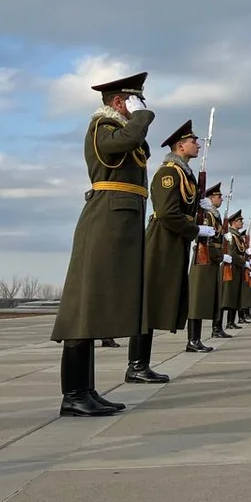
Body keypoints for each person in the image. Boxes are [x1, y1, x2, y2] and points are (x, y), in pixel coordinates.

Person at [51, 71, 153, 416]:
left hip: (120, 221)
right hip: (104, 220)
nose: (142, 105)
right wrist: (141, 115)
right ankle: (74, 394)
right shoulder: (101, 128)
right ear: (118, 102)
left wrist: (137, 117)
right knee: (83, 308)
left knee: (94, 309)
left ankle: (87, 390)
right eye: (134, 99)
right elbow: (121, 144)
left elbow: (138, 146)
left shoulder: (122, 131)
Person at [133, 119, 209, 382]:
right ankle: (136, 365)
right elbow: (166, 212)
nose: (197, 145)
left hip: (173, 242)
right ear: (180, 145)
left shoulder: (183, 173)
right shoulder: (169, 173)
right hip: (162, 241)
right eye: (193, 141)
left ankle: (141, 363)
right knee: (150, 301)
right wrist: (194, 229)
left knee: (158, 300)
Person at [190, 182, 227, 345]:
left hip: (212, 259)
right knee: (197, 301)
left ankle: (197, 339)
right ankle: (193, 340)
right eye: (219, 197)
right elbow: (203, 239)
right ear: (211, 198)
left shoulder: (214, 215)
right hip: (204, 258)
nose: (222, 199)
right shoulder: (206, 215)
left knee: (207, 299)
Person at [219, 210, 245, 330]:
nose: (242, 223)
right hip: (230, 268)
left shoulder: (237, 236)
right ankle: (218, 326)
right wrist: (243, 260)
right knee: (226, 297)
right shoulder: (230, 235)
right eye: (240, 221)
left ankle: (231, 321)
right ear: (234, 222)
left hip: (236, 269)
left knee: (234, 296)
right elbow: (231, 253)